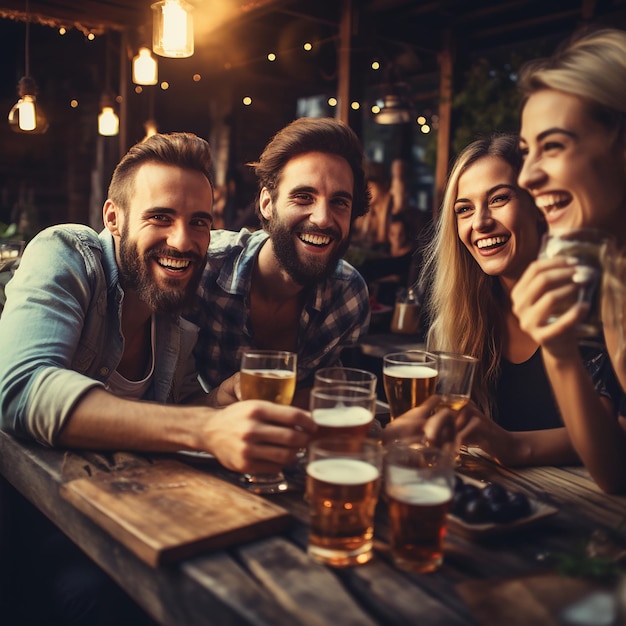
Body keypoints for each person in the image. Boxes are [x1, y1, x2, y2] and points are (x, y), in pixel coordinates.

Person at [0, 132, 315, 624]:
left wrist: (215, 405)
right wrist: (204, 429)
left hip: (122, 523)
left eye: (199, 223)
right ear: (113, 217)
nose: (183, 241)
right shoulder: (65, 253)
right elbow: (22, 389)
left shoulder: (173, 316)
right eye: (160, 217)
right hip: (33, 529)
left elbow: (176, 409)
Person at [384, 133, 620, 466]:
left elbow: (616, 436)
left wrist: (509, 445)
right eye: (464, 209)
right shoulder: (459, 320)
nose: (480, 222)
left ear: (538, 207)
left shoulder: (594, 301)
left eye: (498, 199)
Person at [510, 27, 626, 493]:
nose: (528, 176)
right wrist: (559, 354)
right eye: (525, 152)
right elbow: (616, 475)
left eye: (553, 146)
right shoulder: (614, 280)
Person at [191, 117, 371, 408]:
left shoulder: (348, 295)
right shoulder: (202, 268)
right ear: (267, 203)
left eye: (339, 202)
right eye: (303, 196)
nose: (323, 218)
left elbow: (328, 397)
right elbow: (164, 395)